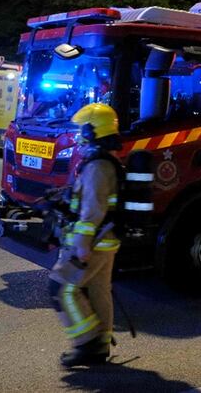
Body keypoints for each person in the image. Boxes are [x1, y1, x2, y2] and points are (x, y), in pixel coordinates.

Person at [49, 103, 124, 367]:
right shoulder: (107, 161)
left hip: (92, 244)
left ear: (94, 131)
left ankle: (87, 343)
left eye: (83, 129)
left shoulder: (97, 166)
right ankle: (101, 344)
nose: (79, 134)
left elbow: (94, 209)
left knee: (60, 288)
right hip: (107, 242)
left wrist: (81, 245)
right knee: (98, 290)